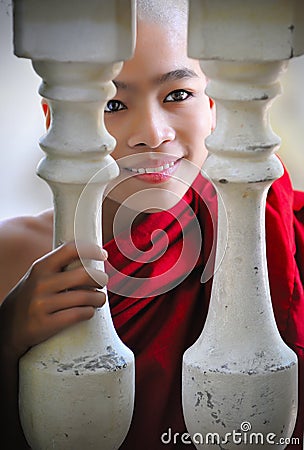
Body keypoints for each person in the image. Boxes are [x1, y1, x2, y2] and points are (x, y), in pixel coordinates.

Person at [0, 0, 303, 449]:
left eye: (177, 95)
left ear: (216, 103)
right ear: (56, 121)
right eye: (114, 103)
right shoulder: (15, 254)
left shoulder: (272, 224)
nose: (152, 131)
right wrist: (7, 336)